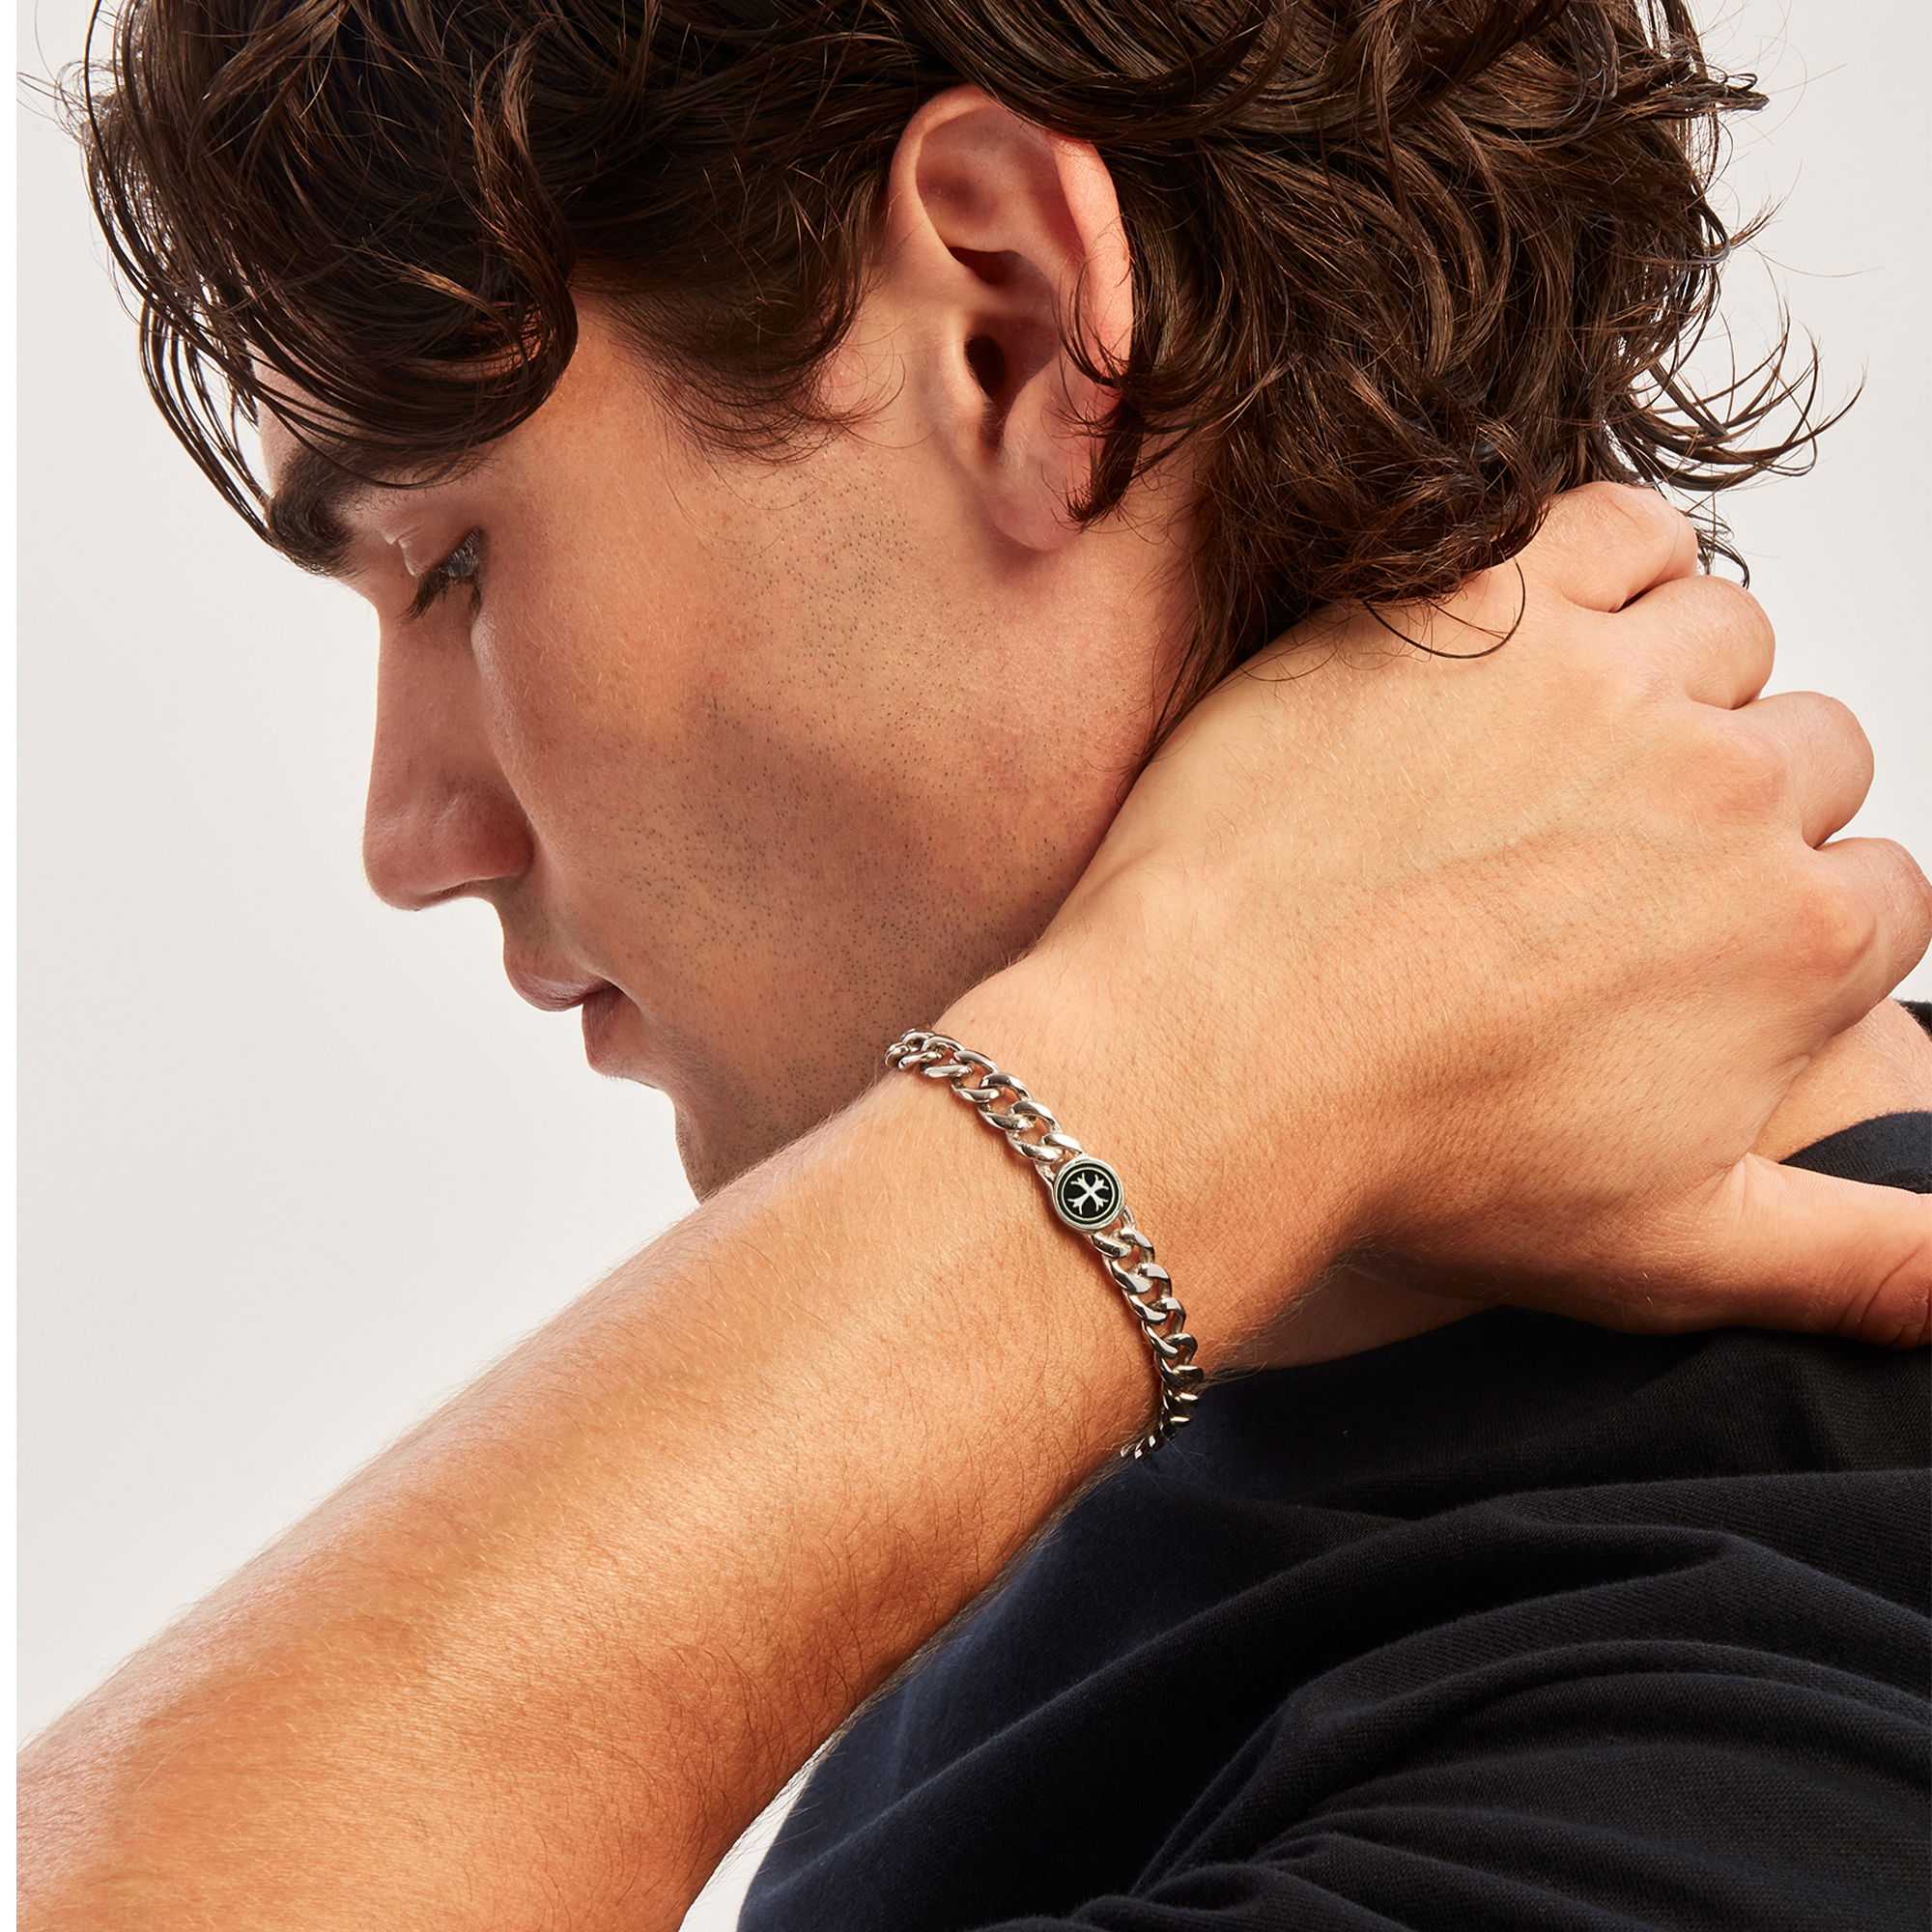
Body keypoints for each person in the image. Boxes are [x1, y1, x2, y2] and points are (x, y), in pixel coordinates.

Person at [22, 0, 1930, 1927]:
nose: (409, 835)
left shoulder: (1750, 1752)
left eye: (454, 564)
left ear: (1009, 328)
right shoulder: (1171, 1415)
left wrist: (1184, 1065)